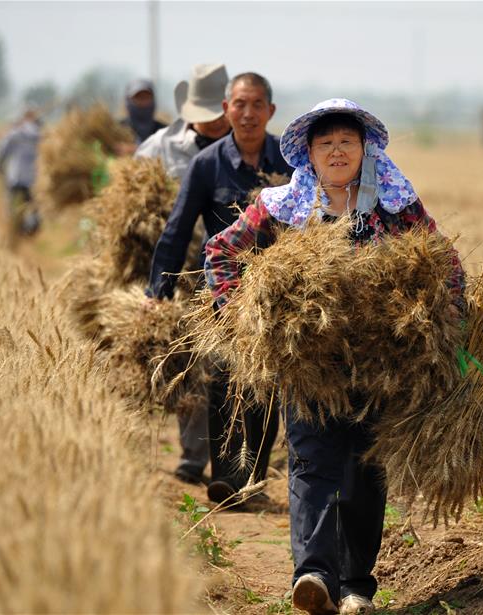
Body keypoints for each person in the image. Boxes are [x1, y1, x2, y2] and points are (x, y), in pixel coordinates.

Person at [204, 99, 466, 615]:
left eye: (347, 141)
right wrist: (240, 313)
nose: (337, 151)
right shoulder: (283, 207)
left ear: (365, 150)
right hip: (309, 365)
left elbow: (447, 264)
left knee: (366, 472)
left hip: (380, 366)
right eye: (326, 144)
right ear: (310, 154)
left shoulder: (396, 206)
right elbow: (220, 251)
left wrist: (445, 320)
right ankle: (314, 576)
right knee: (311, 463)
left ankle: (356, 587)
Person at [148, 72, 292, 505]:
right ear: (226, 109)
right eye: (239, 105)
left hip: (277, 294)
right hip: (220, 291)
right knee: (223, 377)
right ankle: (226, 477)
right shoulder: (207, 164)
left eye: (257, 105)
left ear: (270, 111)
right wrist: (156, 294)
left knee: (266, 384)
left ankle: (253, 478)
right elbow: (177, 232)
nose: (248, 114)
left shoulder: (290, 163)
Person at [135, 63, 232, 486]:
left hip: (229, 269)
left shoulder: (243, 148)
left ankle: (232, 459)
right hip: (177, 267)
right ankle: (194, 454)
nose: (211, 120)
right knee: (189, 360)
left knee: (228, 364)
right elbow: (131, 204)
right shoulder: (160, 147)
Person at [0, 106, 43, 238]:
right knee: (31, 204)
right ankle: (30, 229)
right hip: (32, 177)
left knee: (11, 203)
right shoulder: (39, 135)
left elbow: (1, 151)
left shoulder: (15, 134)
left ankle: (12, 229)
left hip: (15, 175)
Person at [121, 78, 167, 145]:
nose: (143, 102)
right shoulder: (118, 129)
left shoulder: (164, 132)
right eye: (138, 98)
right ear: (128, 101)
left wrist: (136, 149)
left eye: (146, 97)